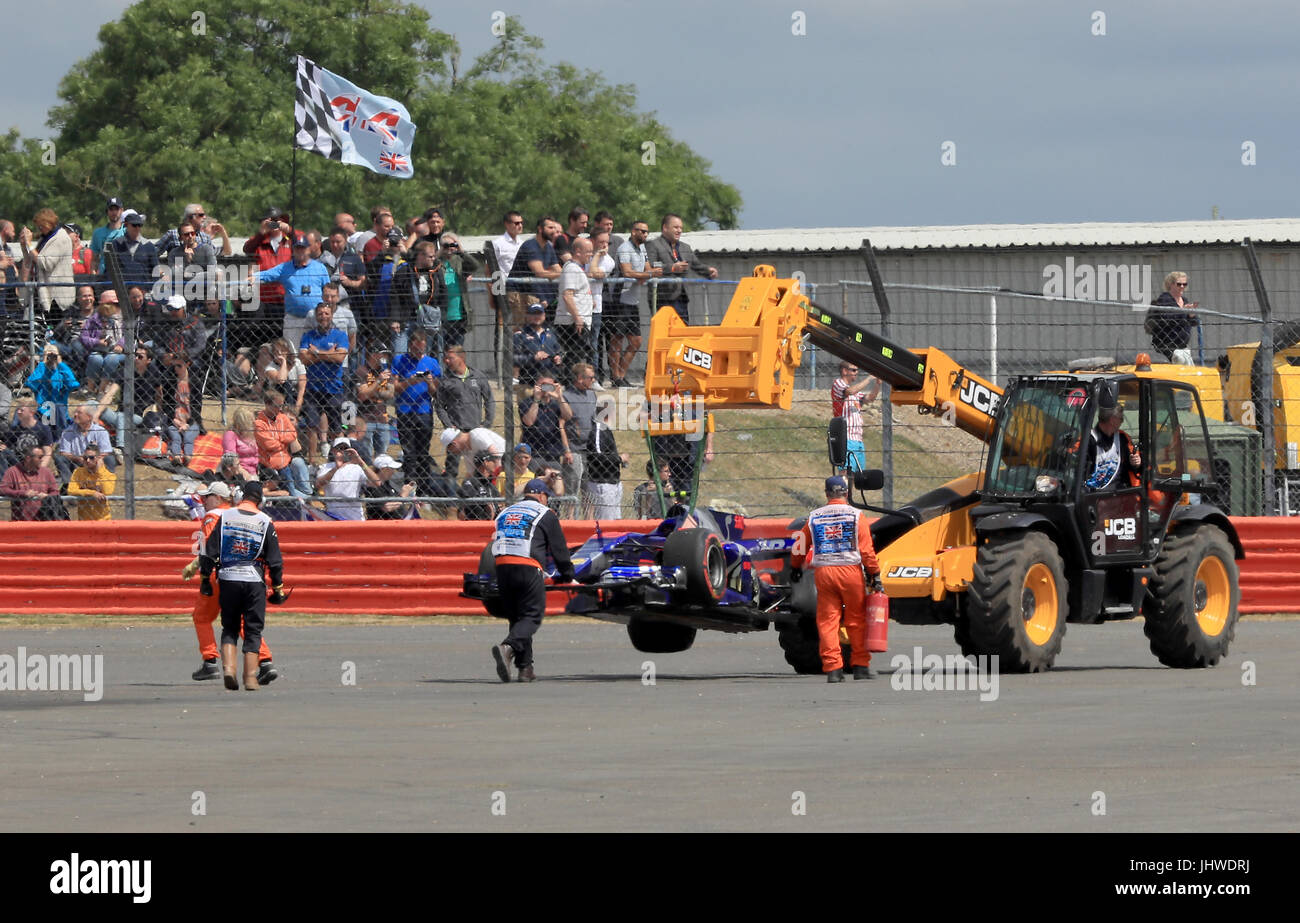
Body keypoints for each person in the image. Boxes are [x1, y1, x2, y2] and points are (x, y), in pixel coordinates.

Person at [182, 481, 278, 683]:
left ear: (218, 498)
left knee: (201, 616)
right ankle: (265, 660)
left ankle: (210, 662)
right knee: (244, 621)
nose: (204, 501)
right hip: (247, 575)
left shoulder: (214, 516)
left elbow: (210, 547)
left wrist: (198, 567)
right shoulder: (242, 514)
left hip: (219, 575)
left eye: (207, 497)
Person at [791, 476, 881, 682]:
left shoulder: (814, 516)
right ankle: (860, 666)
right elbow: (867, 551)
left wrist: (796, 567)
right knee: (856, 620)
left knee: (827, 621)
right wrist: (874, 573)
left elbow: (800, 545)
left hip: (824, 572)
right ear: (846, 493)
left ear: (826, 494)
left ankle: (833, 669)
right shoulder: (857, 516)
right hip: (850, 572)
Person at [489, 478, 575, 683]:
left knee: (518, 619)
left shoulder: (505, 512)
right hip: (527, 567)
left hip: (501, 567)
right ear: (542, 496)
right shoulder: (546, 514)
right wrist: (568, 575)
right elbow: (559, 550)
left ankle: (525, 668)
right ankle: (507, 647)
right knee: (532, 616)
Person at [256, 233, 332, 350]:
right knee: (293, 353)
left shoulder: (320, 268)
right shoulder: (285, 268)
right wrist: (252, 277)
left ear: (308, 249)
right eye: (297, 248)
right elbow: (267, 274)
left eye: (303, 248)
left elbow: (328, 291)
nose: (300, 251)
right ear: (293, 250)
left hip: (316, 319)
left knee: (316, 352)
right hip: (293, 319)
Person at [436, 344, 499, 479]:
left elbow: (489, 400)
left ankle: (481, 495)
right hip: (456, 432)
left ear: (462, 357)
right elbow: (440, 406)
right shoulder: (445, 380)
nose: (446, 361)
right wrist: (449, 425)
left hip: (476, 430)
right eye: (445, 358)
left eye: (450, 358)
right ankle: (450, 495)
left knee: (481, 467)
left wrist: (487, 423)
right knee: (452, 468)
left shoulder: (478, 376)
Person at [643, 213, 718, 323]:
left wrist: (709, 272)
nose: (679, 231)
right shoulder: (653, 245)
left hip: (681, 298)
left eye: (681, 228)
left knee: (682, 331)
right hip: (661, 299)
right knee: (664, 331)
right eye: (676, 227)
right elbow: (652, 266)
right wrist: (672, 268)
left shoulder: (685, 247)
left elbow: (696, 265)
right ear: (665, 228)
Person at [298, 302, 350, 461]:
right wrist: (329, 354)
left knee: (337, 427)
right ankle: (312, 461)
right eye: (320, 314)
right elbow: (304, 359)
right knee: (312, 426)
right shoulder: (308, 336)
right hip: (313, 388)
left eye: (326, 313)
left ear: (331, 315)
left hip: (334, 388)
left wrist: (317, 352)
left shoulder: (340, 335)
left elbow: (340, 357)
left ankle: (340, 460)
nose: (323, 317)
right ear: (316, 316)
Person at [392, 329, 441, 494]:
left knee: (423, 452)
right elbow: (396, 388)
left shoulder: (432, 362)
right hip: (405, 411)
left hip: (424, 411)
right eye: (416, 349)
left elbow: (435, 392)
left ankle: (424, 490)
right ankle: (410, 488)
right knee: (409, 453)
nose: (419, 353)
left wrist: (429, 382)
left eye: (422, 349)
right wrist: (411, 381)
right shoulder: (399, 360)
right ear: (410, 346)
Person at [610, 220, 657, 387]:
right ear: (633, 231)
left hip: (633, 300)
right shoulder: (624, 248)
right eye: (641, 231)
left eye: (646, 232)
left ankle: (621, 375)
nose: (644, 234)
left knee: (636, 341)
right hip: (620, 298)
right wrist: (648, 274)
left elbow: (648, 269)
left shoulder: (642, 248)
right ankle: (616, 377)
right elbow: (628, 272)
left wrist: (651, 273)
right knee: (617, 339)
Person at [18, 208, 75, 320]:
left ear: (48, 223)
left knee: (54, 330)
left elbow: (45, 263)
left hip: (57, 299)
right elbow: (31, 258)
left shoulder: (61, 238)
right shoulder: (46, 238)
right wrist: (24, 246)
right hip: (41, 293)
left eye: (41, 226)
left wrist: (29, 244)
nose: (39, 229)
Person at [254, 388, 311, 498]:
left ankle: (303, 499)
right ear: (267, 404)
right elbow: (268, 445)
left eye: (281, 406)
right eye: (277, 406)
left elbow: (293, 435)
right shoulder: (259, 423)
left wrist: (277, 437)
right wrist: (283, 442)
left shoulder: (282, 417)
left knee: (290, 491)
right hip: (268, 466)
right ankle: (302, 501)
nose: (280, 409)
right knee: (288, 494)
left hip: (284, 463)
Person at [431, 232, 480, 348]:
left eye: (452, 245)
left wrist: (461, 250)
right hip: (441, 315)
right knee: (439, 350)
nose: (449, 248)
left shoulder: (459, 261)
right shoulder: (437, 262)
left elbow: (475, 265)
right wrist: (439, 252)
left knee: (456, 351)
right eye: (445, 245)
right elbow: (428, 265)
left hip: (458, 315)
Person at [832, 361, 880, 474]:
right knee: (845, 472)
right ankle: (843, 491)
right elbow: (849, 391)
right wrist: (869, 378)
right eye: (853, 370)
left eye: (857, 370)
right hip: (846, 438)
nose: (856, 373)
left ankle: (849, 492)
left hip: (858, 439)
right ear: (844, 371)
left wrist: (878, 383)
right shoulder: (838, 384)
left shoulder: (855, 393)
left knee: (856, 475)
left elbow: (870, 398)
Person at [555, 237, 595, 373]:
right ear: (578, 251)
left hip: (579, 320)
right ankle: (566, 381)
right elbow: (567, 295)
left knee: (578, 354)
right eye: (588, 251)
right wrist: (577, 317)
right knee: (575, 355)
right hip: (572, 322)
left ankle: (569, 381)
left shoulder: (577, 268)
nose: (591, 254)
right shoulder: (572, 269)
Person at [315, 438, 381, 520]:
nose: (343, 451)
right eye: (340, 449)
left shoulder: (357, 468)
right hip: (333, 516)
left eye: (345, 449)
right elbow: (318, 484)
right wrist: (336, 468)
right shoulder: (326, 467)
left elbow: (377, 483)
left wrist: (361, 462)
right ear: (333, 450)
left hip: (355, 517)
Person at [518, 374, 571, 470]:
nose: (546, 388)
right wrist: (537, 400)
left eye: (549, 385)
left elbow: (568, 416)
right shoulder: (527, 402)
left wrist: (559, 398)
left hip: (554, 454)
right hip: (533, 454)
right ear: (536, 386)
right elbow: (529, 421)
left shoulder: (557, 403)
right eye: (543, 385)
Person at [1085, 403, 1142, 492]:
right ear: (1112, 420)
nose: (1122, 422)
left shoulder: (1123, 438)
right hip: (1094, 497)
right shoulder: (1087, 441)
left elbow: (1134, 467)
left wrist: (1135, 463)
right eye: (1121, 419)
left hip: (1120, 494)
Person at [26, 344, 80, 437]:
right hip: (42, 413)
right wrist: (42, 363)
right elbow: (31, 384)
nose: (51, 357)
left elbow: (73, 384)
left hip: (60, 415)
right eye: (48, 354)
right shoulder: (41, 372)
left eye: (54, 355)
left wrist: (61, 364)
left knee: (58, 407)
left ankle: (59, 439)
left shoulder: (62, 373)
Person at [1146, 271, 1199, 364]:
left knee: (1189, 370)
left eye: (1184, 284)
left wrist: (1191, 314)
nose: (1182, 287)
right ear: (1170, 284)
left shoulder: (1185, 300)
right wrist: (1183, 311)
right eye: (1179, 284)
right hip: (1167, 345)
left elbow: (1194, 322)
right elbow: (1167, 319)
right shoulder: (1164, 299)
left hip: (1182, 345)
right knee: (1180, 364)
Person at [0, 444, 62, 521]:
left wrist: (47, 496)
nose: (42, 460)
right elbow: (2, 489)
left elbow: (55, 492)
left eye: (42, 457)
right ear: (28, 458)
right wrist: (22, 493)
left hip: (44, 520)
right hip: (21, 521)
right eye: (39, 457)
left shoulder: (46, 472)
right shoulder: (13, 471)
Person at [582, 421, 628, 519]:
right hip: (603, 484)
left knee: (616, 523)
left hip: (613, 483)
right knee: (606, 524)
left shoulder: (605, 428)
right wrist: (619, 459)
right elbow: (597, 456)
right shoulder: (599, 429)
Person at [512, 302, 564, 387]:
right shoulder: (520, 334)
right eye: (533, 314)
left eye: (539, 313)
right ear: (527, 316)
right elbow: (513, 359)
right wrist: (533, 358)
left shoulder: (551, 333)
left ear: (544, 315)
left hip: (550, 382)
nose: (536, 317)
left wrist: (558, 357)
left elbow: (559, 351)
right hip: (528, 383)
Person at [66, 444, 116, 520]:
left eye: (91, 458)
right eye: (85, 458)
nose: (88, 460)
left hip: (103, 520)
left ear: (99, 458)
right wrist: (92, 493)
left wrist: (100, 472)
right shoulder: (78, 472)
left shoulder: (108, 475)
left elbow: (107, 491)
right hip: (84, 520)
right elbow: (71, 490)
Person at [364, 454, 416, 519]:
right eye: (391, 468)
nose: (393, 472)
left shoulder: (386, 483)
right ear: (383, 469)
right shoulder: (373, 487)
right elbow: (387, 507)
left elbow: (396, 500)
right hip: (383, 525)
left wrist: (412, 499)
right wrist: (403, 496)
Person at [457, 449, 504, 521]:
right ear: (486, 463)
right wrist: (486, 504)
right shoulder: (470, 482)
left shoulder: (491, 485)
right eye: (493, 462)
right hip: (476, 525)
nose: (496, 465)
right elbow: (468, 503)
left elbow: (498, 506)